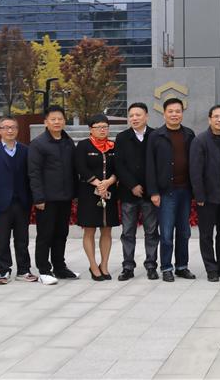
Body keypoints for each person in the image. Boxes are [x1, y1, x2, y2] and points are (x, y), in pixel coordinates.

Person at [0, 116, 37, 284]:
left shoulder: (26, 150)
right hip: (1, 203)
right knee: (3, 238)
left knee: (22, 239)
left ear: (17, 130)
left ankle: (23, 270)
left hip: (22, 202)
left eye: (13, 127)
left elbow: (31, 176)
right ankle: (4, 269)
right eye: (6, 127)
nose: (10, 130)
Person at [147, 98, 197, 282]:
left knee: (184, 232)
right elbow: (150, 166)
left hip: (185, 190)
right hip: (166, 192)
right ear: (164, 114)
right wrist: (153, 192)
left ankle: (182, 267)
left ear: (182, 113)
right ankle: (166, 267)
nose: (174, 114)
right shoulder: (156, 136)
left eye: (178, 111)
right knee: (167, 233)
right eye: (171, 111)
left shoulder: (189, 134)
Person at [28, 105, 79, 285]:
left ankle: (60, 267)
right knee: (45, 235)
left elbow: (73, 170)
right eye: (53, 119)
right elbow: (34, 173)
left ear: (64, 121)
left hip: (65, 197)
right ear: (46, 122)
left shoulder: (67, 141)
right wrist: (38, 198)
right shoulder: (38, 144)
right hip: (47, 199)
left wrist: (75, 193)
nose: (57, 122)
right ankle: (44, 270)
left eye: (60, 119)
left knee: (61, 233)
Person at [190, 105, 220, 282]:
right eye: (216, 116)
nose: (219, 120)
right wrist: (199, 195)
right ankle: (211, 268)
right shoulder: (200, 140)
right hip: (208, 196)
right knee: (206, 235)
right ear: (209, 119)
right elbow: (195, 171)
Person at [115, 102, 159, 281]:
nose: (134, 118)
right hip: (128, 193)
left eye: (138, 115)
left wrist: (151, 188)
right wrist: (132, 185)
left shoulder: (155, 136)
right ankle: (128, 266)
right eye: (131, 115)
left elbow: (158, 164)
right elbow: (119, 165)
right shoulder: (122, 137)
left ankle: (151, 265)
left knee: (151, 231)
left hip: (150, 193)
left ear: (146, 116)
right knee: (128, 232)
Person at [75, 114, 120, 281]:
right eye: (98, 127)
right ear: (90, 129)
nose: (102, 130)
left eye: (105, 127)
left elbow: (119, 168)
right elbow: (81, 167)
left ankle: (104, 265)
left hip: (109, 192)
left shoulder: (113, 146)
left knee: (107, 229)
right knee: (90, 229)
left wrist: (108, 182)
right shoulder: (83, 145)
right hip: (89, 193)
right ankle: (93, 266)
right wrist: (97, 183)